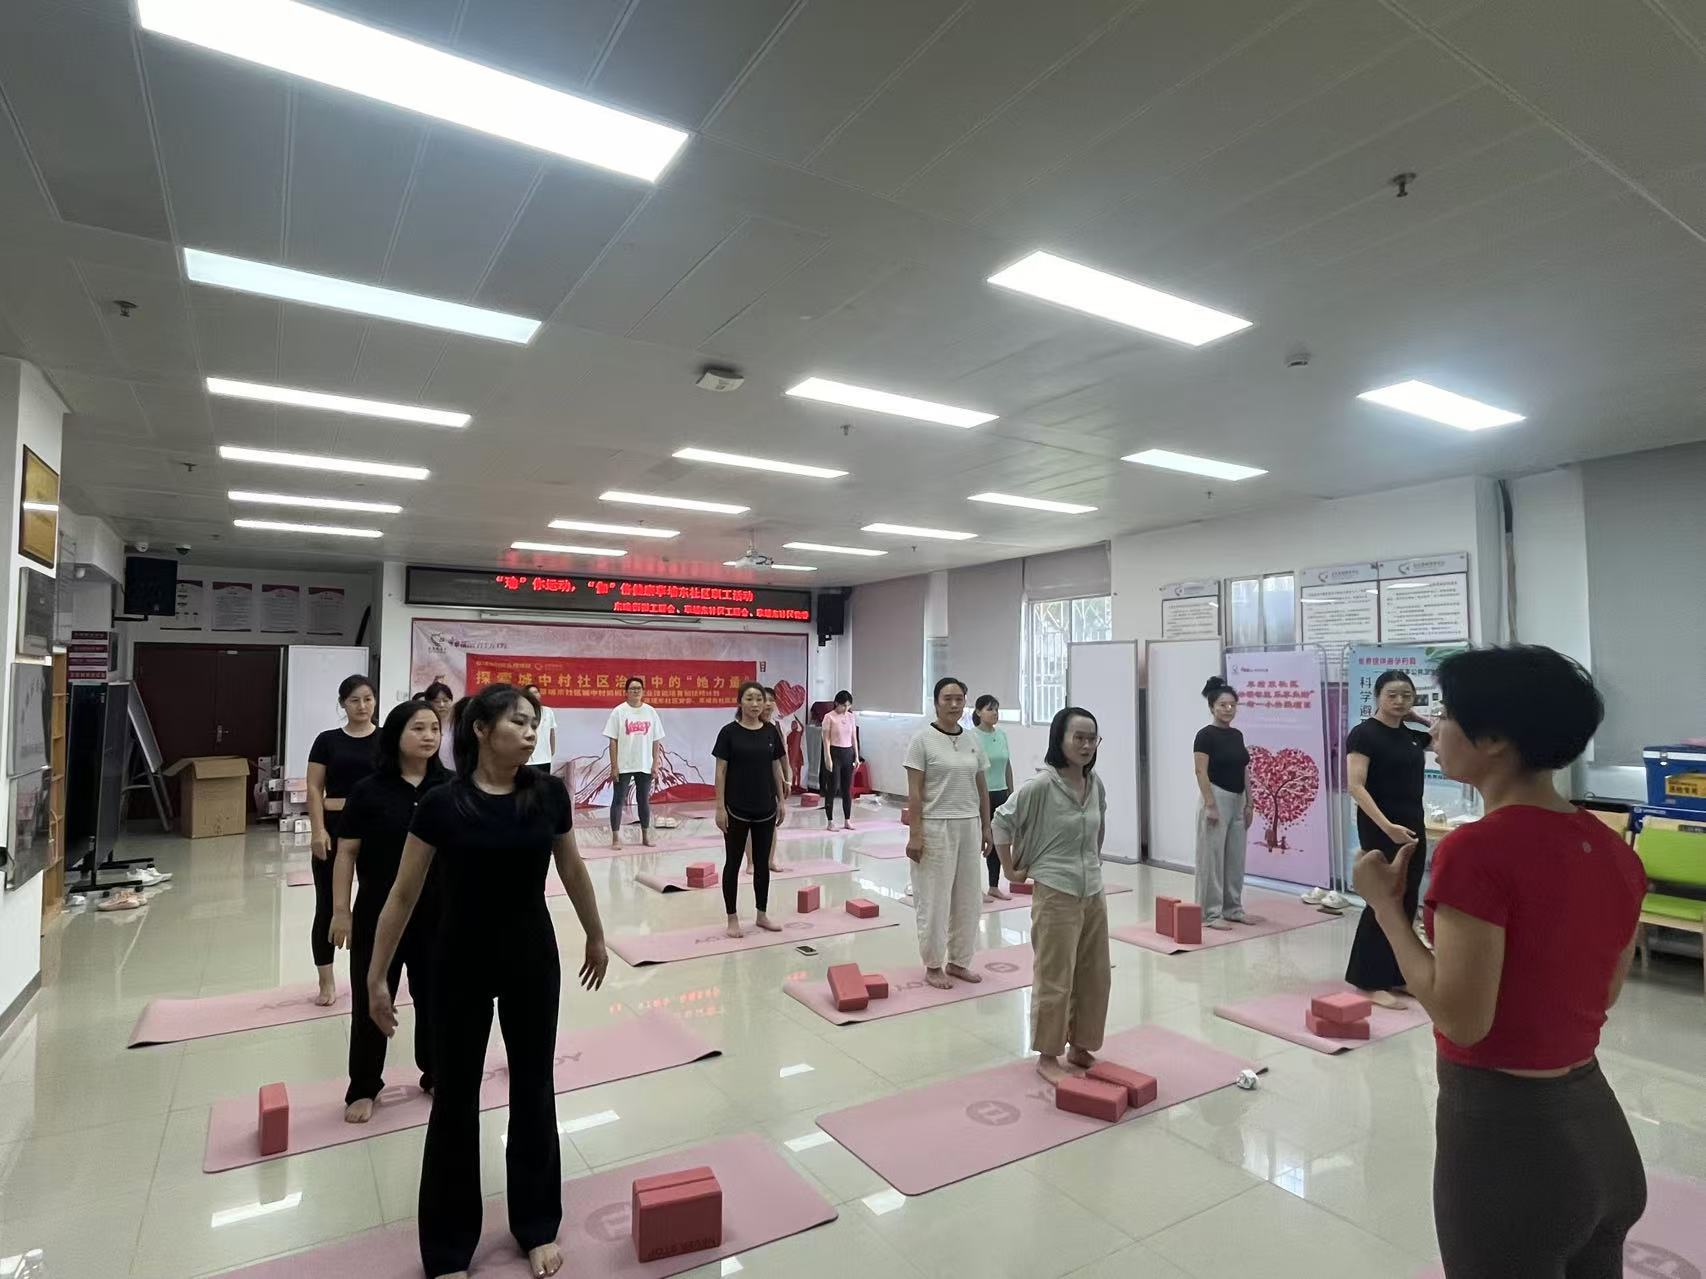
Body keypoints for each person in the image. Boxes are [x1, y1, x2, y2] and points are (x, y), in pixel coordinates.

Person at [1352, 646, 1646, 1278]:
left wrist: (1386, 909)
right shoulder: (1613, 849)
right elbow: (1603, 992)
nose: (1433, 728)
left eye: (1446, 714)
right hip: (1601, 1131)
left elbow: (1463, 1021)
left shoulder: (1478, 851)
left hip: (1510, 1144)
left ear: (1493, 740)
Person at [367, 683, 607, 1279]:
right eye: (519, 722)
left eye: (534, 724)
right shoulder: (442, 804)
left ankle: (537, 1225)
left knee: (534, 1088)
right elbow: (402, 893)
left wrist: (596, 935)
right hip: (458, 962)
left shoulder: (548, 794)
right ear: (480, 729)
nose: (530, 733)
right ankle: (449, 1247)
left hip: (531, 959)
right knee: (455, 1098)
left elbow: (572, 867)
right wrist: (377, 976)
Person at [328, 699, 449, 1123]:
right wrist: (340, 910)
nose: (429, 736)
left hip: (437, 915)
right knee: (371, 998)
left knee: (435, 999)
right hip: (377, 915)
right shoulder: (369, 790)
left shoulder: (450, 787)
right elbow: (346, 853)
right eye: (418, 728)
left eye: (434, 728)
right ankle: (364, 1085)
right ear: (396, 735)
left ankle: (435, 1073)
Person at [995, 707, 1109, 1084]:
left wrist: (1094, 861)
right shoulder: (1042, 785)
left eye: (1092, 738)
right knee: (1055, 975)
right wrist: (1010, 870)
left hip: (1092, 889)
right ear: (1060, 739)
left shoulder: (1095, 784)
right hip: (1056, 890)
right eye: (1079, 737)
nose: (1086, 745)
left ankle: (1081, 1045)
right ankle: (1048, 1055)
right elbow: (1001, 821)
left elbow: (1099, 826)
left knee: (1094, 974)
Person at [1345, 669, 1433, 1005]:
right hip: (1381, 826)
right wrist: (1386, 827)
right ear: (1377, 696)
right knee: (1383, 899)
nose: (1399, 701)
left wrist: (1419, 718)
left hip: (1412, 823)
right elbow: (1356, 786)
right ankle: (1368, 980)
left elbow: (1443, 735)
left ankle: (1396, 974)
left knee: (1407, 898)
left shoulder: (1411, 736)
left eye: (1406, 696)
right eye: (1392, 695)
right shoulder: (1364, 734)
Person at [905, 677, 993, 990]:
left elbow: (981, 786)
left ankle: (959, 961)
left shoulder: (972, 740)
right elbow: (915, 793)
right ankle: (933, 965)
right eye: (947, 699)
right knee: (934, 899)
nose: (954, 704)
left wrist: (986, 825)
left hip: (969, 825)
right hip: (935, 826)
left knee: (969, 899)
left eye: (959, 699)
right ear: (936, 703)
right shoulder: (922, 740)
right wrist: (915, 834)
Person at [306, 675, 380, 1006]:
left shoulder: (386, 740)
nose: (362, 706)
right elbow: (314, 788)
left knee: (375, 902)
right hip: (335, 825)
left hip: (376, 828)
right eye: (354, 700)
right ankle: (326, 982)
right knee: (328, 904)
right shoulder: (327, 741)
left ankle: (374, 974)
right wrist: (317, 829)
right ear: (342, 704)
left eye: (368, 699)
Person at [714, 681, 789, 939]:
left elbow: (775, 767)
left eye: (759, 699)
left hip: (765, 807)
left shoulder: (770, 732)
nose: (756, 704)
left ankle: (761, 914)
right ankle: (732, 918)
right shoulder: (728, 732)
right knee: (733, 863)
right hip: (735, 808)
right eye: (749, 699)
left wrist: (781, 800)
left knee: (762, 864)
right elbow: (720, 771)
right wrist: (719, 807)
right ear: (740, 702)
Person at [1193, 676, 1252, 931]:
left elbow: (1244, 769)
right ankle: (1209, 913)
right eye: (1223, 705)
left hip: (1239, 799)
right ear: (1212, 707)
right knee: (1212, 859)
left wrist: (1250, 803)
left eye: (1232, 705)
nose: (1228, 709)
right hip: (1216, 796)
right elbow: (1200, 771)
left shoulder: (1237, 735)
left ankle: (1233, 908)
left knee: (1236, 858)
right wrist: (1210, 804)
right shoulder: (1205, 736)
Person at [602, 677, 665, 849]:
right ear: (626, 692)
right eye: (632, 688)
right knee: (618, 800)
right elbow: (613, 740)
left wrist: (655, 764)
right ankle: (615, 838)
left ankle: (645, 836)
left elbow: (656, 741)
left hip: (644, 764)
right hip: (624, 764)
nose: (636, 691)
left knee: (643, 800)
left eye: (638, 688)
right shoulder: (618, 712)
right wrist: (614, 766)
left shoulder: (650, 712)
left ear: (643, 691)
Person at [973, 694, 1015, 902]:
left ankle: (993, 886)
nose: (995, 713)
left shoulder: (1002, 735)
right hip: (981, 795)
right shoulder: (972, 736)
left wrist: (1011, 793)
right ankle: (974, 889)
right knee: (978, 840)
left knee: (998, 840)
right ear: (978, 712)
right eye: (990, 709)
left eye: (997, 709)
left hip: (1001, 793)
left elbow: (1007, 766)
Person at [745, 688, 790, 875]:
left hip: (769, 784)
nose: (769, 704)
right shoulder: (746, 727)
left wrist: (786, 781)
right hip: (748, 783)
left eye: (772, 700)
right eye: (766, 700)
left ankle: (770, 860)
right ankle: (751, 862)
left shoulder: (774, 728)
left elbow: (779, 760)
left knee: (771, 824)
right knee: (749, 825)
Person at [821, 690, 860, 831]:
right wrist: (827, 757)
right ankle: (830, 821)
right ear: (836, 703)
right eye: (843, 705)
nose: (845, 708)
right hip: (835, 752)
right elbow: (826, 739)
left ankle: (847, 820)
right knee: (833, 787)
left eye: (848, 706)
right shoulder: (829, 717)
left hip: (847, 753)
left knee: (846, 788)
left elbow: (853, 737)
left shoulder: (851, 717)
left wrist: (856, 756)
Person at [524, 683, 556, 776]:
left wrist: (552, 751)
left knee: (543, 783)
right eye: (531, 693)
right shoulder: (522, 711)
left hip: (545, 759)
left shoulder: (548, 711)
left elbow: (552, 733)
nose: (534, 695)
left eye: (536, 692)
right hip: (527, 760)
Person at [422, 681, 456, 770]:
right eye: (436, 701)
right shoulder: (422, 726)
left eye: (446, 700)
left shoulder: (458, 725)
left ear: (451, 701)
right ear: (428, 703)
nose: (442, 705)